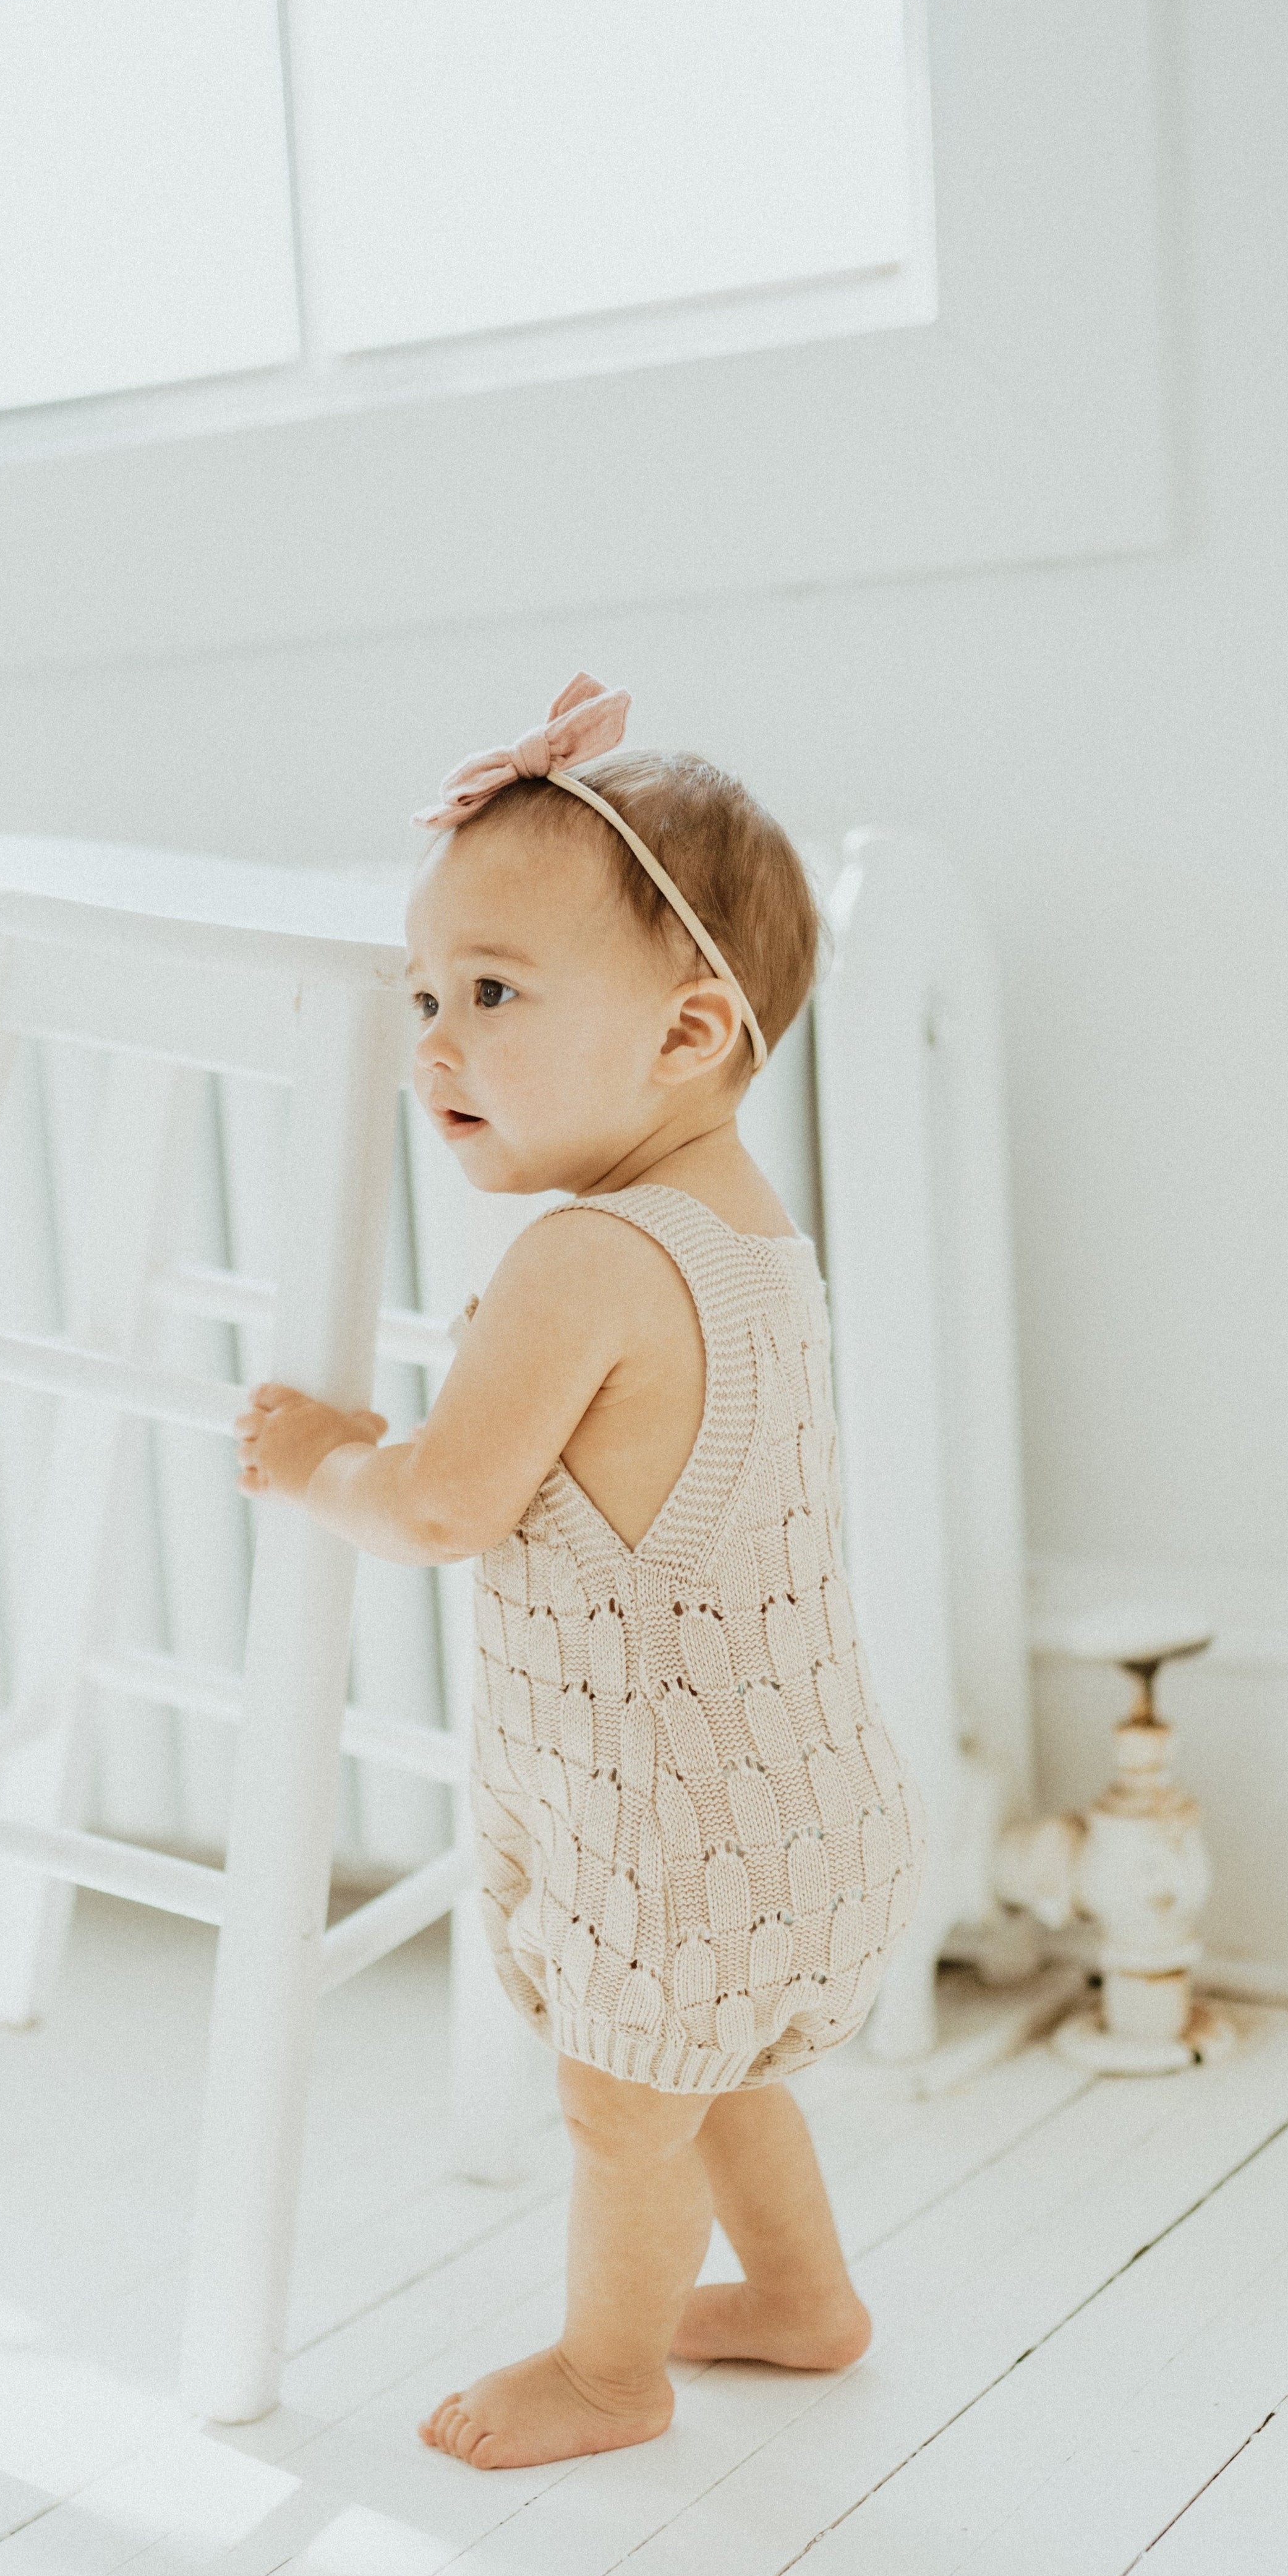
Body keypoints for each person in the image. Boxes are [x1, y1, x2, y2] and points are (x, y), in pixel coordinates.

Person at [236, 674, 923, 2468]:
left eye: (492, 994)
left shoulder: (583, 1260)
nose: (434, 1045)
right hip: (793, 1792)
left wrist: (325, 1461)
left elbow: (453, 1503)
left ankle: (612, 2372)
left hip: (672, 1824)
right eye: (424, 996)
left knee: (625, 2110)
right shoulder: (753, 1236)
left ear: (690, 1032)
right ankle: (801, 2300)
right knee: (721, 2070)